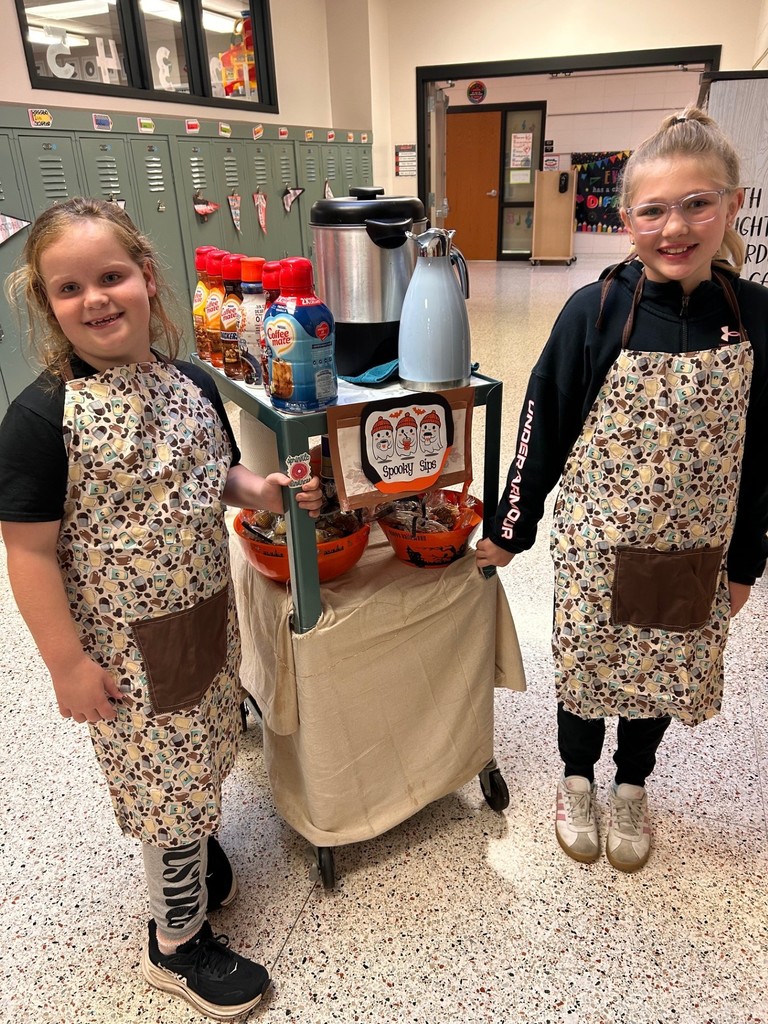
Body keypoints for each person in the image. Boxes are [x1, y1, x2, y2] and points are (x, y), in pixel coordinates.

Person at [0, 197, 323, 1019]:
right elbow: (29, 553)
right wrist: (67, 664)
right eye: (68, 289)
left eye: (111, 276)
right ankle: (175, 946)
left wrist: (266, 490)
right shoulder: (41, 418)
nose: (96, 299)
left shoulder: (189, 383)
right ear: (47, 306)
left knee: (199, 758)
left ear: (147, 276)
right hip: (123, 657)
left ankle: (191, 844)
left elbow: (212, 476)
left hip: (201, 625)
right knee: (160, 787)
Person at [477, 106, 768, 873]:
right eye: (654, 210)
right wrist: (511, 528)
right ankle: (577, 779)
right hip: (598, 545)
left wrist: (745, 563)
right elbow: (542, 425)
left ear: (733, 204)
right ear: (625, 219)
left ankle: (631, 784)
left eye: (698, 203)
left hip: (694, 550)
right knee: (590, 666)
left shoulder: (757, 320)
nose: (677, 227)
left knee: (663, 675)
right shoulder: (596, 311)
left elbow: (763, 458)